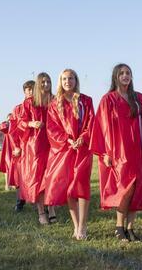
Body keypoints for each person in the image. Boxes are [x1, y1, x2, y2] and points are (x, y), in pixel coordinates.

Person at [89, 63, 142, 242]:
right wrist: (105, 152)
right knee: (125, 189)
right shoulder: (108, 99)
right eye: (122, 73)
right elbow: (102, 127)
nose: (125, 76)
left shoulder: (139, 98)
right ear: (115, 77)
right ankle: (119, 227)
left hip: (137, 150)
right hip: (119, 151)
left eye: (128, 73)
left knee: (137, 188)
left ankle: (130, 228)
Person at [42, 69, 94, 240]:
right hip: (65, 151)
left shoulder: (86, 101)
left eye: (71, 78)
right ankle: (76, 225)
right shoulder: (55, 103)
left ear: (75, 80)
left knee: (82, 186)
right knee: (70, 190)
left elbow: (91, 123)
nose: (67, 81)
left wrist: (83, 137)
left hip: (83, 149)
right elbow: (52, 128)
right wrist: (67, 139)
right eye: (64, 79)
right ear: (60, 81)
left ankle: (83, 226)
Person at [19, 72, 56, 225]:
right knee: (38, 178)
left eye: (48, 82)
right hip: (35, 145)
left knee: (52, 176)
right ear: (38, 83)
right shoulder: (29, 102)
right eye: (43, 82)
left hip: (53, 142)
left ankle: (52, 208)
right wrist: (30, 124)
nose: (46, 85)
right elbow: (20, 122)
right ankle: (41, 211)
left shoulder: (55, 101)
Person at [9, 80, 35, 212]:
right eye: (28, 89)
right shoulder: (18, 109)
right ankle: (20, 201)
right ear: (24, 91)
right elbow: (13, 130)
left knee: (36, 174)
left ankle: (38, 201)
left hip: (36, 147)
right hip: (23, 146)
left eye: (33, 89)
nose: (31, 91)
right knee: (21, 175)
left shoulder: (41, 106)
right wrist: (16, 147)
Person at [0, 113, 13, 191]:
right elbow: (1, 127)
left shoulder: (17, 125)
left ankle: (14, 183)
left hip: (16, 148)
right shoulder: (6, 127)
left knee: (16, 167)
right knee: (7, 166)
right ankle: (7, 184)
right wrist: (8, 122)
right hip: (8, 148)